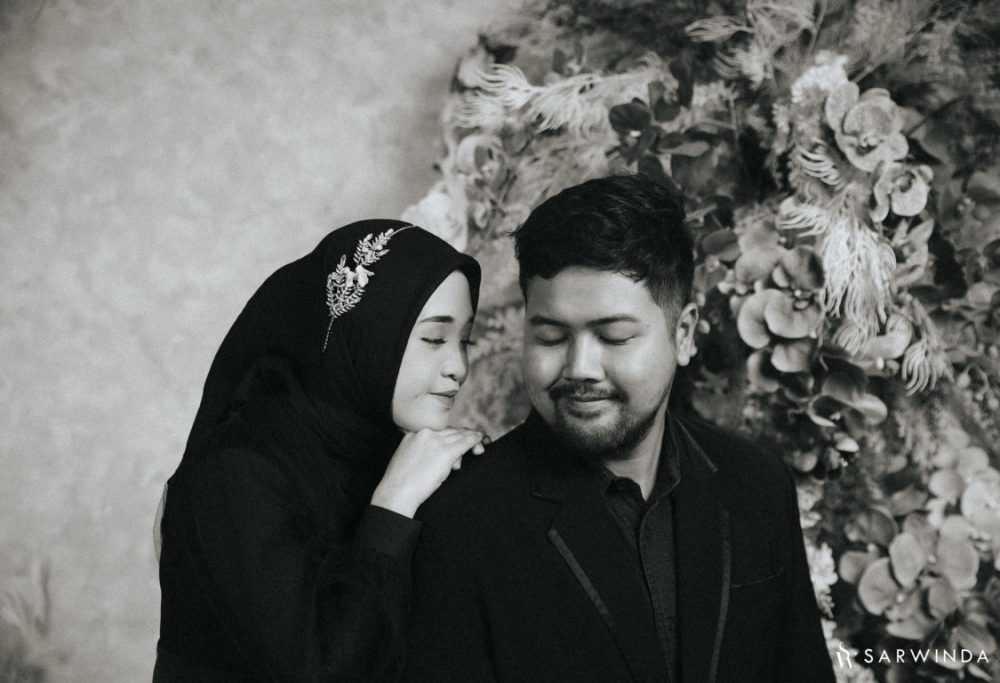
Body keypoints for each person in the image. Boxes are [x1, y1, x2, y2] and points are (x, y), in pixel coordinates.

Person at [404, 175, 836, 682]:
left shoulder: (756, 483)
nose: (580, 368)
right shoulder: (461, 520)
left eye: (614, 336)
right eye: (550, 337)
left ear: (684, 335)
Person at [154, 220, 484, 682]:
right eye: (433, 339)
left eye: (465, 341)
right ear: (364, 335)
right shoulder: (235, 471)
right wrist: (392, 507)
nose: (459, 367)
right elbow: (318, 672)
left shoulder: (401, 454)